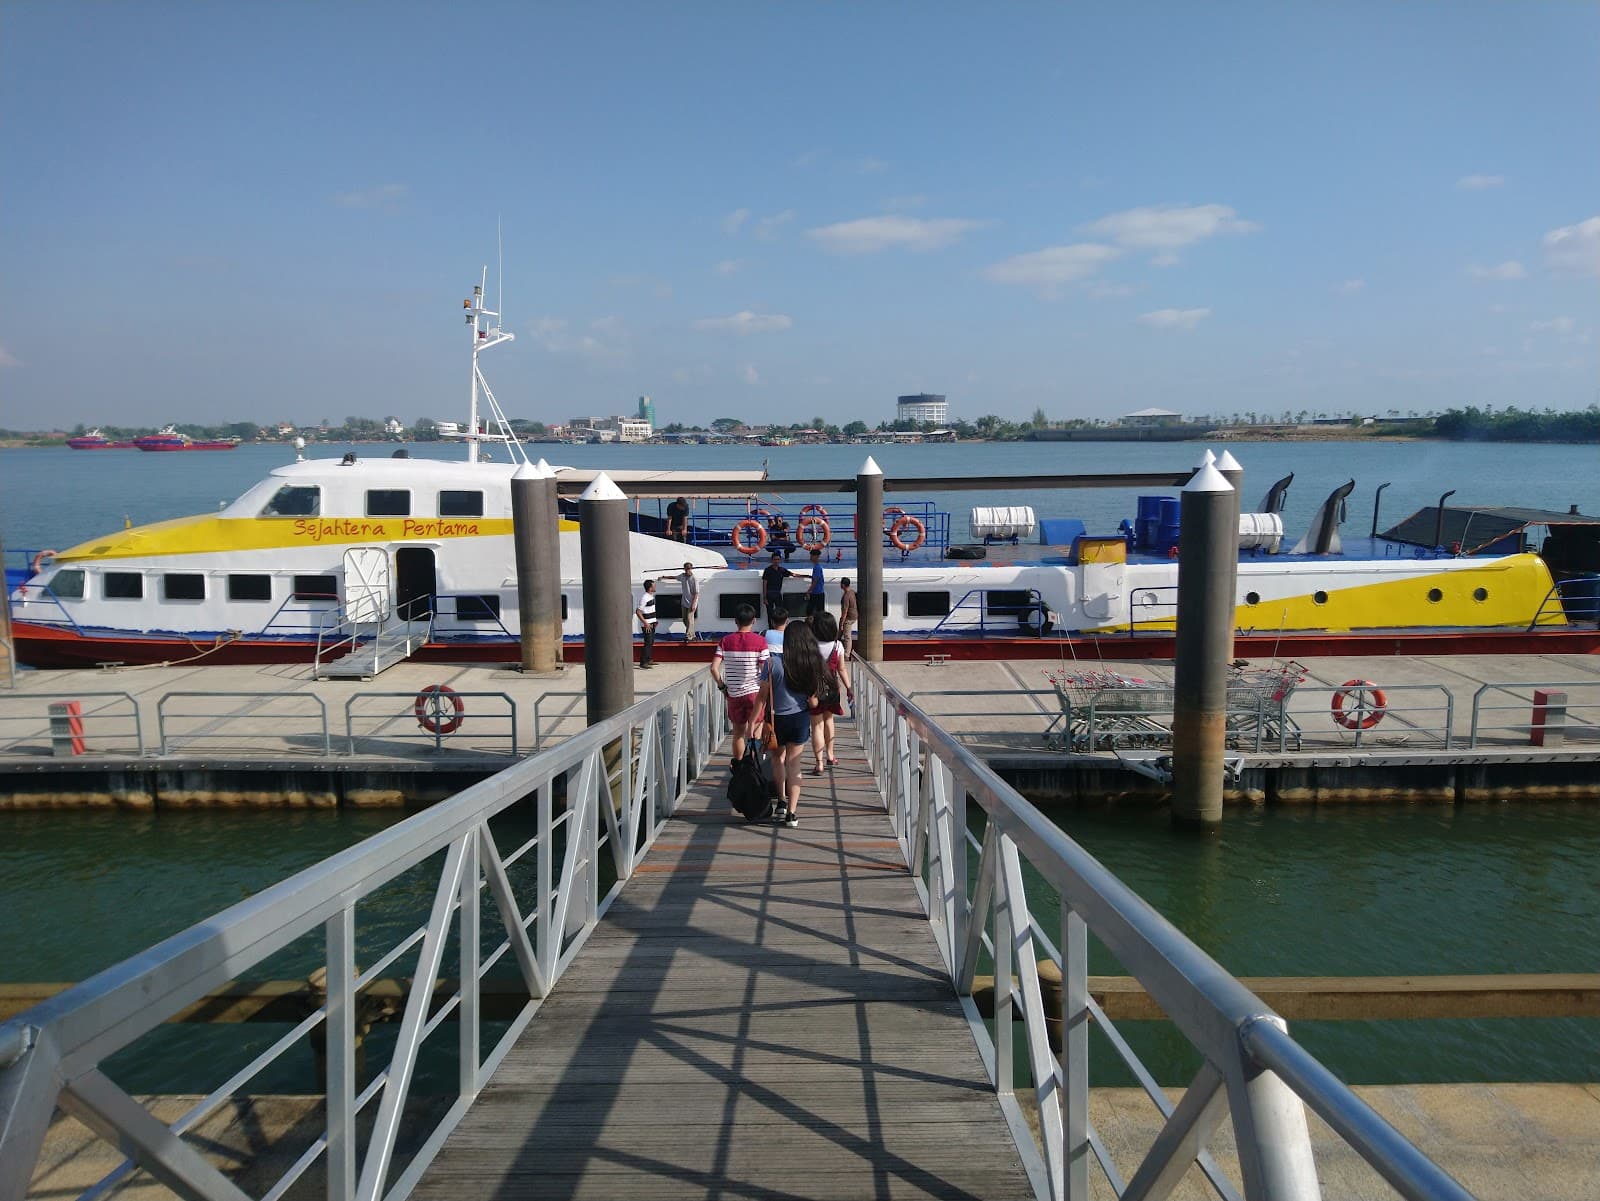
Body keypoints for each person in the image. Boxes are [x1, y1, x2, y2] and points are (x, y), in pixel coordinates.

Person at [767, 612, 824, 828]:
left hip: (776, 718)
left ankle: (781, 800)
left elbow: (764, 695)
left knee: (777, 759)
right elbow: (814, 704)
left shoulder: (773, 663)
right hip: (799, 718)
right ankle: (791, 813)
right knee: (795, 763)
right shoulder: (810, 664)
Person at [712, 603, 769, 764]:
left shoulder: (725, 641)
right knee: (755, 730)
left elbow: (714, 668)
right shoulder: (761, 642)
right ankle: (753, 765)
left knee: (738, 733)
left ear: (735, 621)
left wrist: (723, 687)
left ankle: (739, 766)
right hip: (755, 694)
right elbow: (765, 671)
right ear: (754, 620)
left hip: (734, 694)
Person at [808, 611, 852, 773]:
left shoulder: (810, 645)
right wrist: (849, 688)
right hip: (832, 688)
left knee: (816, 726)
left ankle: (819, 763)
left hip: (814, 689)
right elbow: (841, 669)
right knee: (829, 721)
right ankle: (831, 755)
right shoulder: (837, 645)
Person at [659, 562, 699, 640]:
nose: (687, 570)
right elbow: (674, 577)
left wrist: (694, 604)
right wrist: (664, 577)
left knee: (689, 619)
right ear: (684, 568)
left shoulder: (694, 579)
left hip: (692, 602)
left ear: (691, 568)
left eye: (688, 568)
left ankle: (688, 636)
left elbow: (696, 593)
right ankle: (693, 634)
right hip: (684, 602)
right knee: (684, 620)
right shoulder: (682, 576)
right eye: (686, 568)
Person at [761, 551, 798, 625]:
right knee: (770, 613)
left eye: (778, 559)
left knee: (780, 612)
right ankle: (771, 627)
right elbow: (764, 583)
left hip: (778, 594)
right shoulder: (767, 570)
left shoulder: (782, 570)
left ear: (780, 560)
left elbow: (793, 574)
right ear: (772, 560)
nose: (776, 561)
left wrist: (806, 576)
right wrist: (764, 597)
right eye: (775, 559)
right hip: (769, 594)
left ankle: (779, 627)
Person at [837, 577, 858, 660]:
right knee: (840, 634)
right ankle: (836, 648)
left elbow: (845, 611)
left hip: (848, 618)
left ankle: (846, 655)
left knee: (847, 636)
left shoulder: (846, 596)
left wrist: (842, 623)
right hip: (854, 616)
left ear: (843, 585)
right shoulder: (852, 592)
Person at [805, 547, 827, 618]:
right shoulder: (817, 567)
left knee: (811, 612)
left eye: (812, 556)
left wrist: (808, 591)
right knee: (817, 612)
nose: (810, 557)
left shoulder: (817, 567)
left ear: (816, 556)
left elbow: (815, 581)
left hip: (817, 594)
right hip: (817, 593)